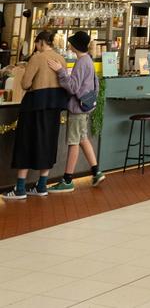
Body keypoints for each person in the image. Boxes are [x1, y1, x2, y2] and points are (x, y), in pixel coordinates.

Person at [3, 30, 67, 200]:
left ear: (40, 42)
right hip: (54, 107)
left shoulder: (37, 57)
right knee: (47, 143)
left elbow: (25, 84)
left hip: (35, 106)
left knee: (26, 143)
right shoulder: (60, 59)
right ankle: (41, 185)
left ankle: (20, 188)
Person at [47, 31, 104, 191]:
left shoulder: (81, 63)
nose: (69, 43)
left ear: (75, 45)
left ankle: (67, 180)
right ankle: (96, 171)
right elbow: (95, 85)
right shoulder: (88, 60)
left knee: (73, 142)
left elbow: (72, 88)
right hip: (85, 107)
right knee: (83, 139)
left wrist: (60, 72)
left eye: (71, 41)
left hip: (77, 109)